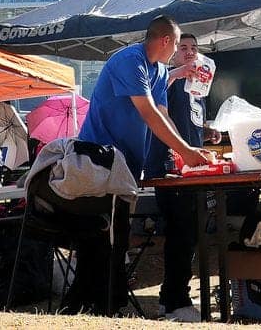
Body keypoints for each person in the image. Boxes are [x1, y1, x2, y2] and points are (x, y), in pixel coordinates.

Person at [68, 16, 215, 315]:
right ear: (166, 41)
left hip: (128, 167)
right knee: (98, 233)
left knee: (117, 237)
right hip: (100, 157)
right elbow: (148, 111)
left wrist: (185, 148)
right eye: (177, 44)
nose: (177, 51)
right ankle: (89, 304)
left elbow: (163, 115)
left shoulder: (160, 71)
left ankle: (110, 303)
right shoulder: (129, 59)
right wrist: (185, 151)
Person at [150, 32, 222, 322]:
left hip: (193, 170)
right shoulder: (165, 76)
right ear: (173, 52)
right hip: (169, 169)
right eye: (184, 48)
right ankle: (175, 302)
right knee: (180, 234)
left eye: (194, 48)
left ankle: (174, 297)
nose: (190, 52)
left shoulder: (197, 87)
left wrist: (207, 133)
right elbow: (152, 99)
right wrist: (177, 71)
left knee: (189, 234)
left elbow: (189, 125)